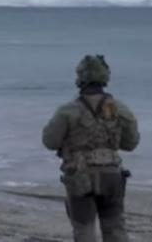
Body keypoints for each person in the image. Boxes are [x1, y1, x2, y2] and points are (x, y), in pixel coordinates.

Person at [42, 55, 140, 242]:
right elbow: (131, 143)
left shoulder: (67, 111)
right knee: (115, 227)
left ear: (80, 78)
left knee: (84, 229)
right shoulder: (120, 109)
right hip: (112, 175)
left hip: (80, 177)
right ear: (105, 78)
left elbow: (49, 141)